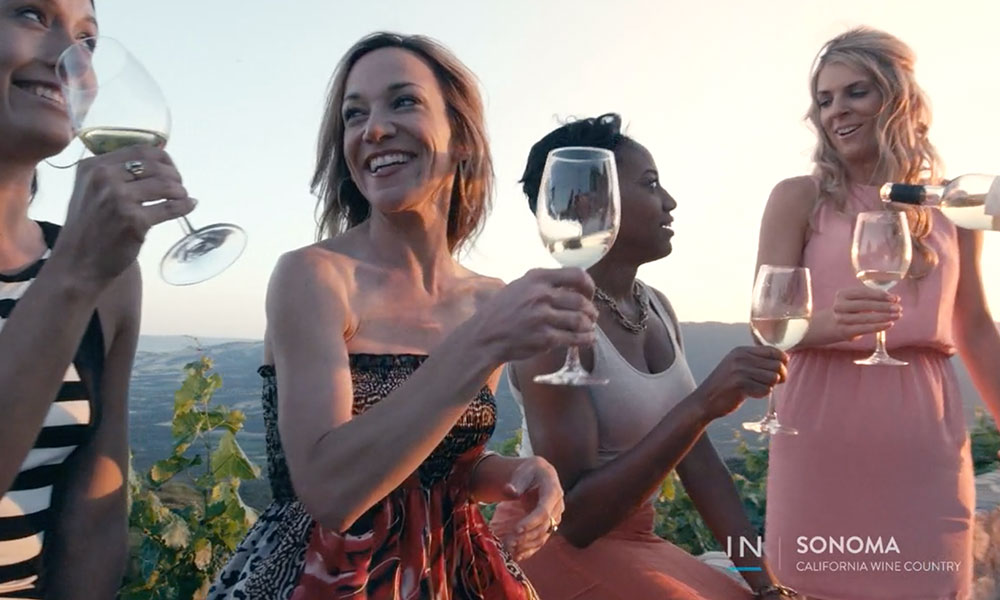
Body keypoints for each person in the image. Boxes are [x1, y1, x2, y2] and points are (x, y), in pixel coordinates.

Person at [208, 32, 593, 600]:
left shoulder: (486, 300)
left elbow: (440, 463)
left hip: (456, 572)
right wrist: (482, 344)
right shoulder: (314, 277)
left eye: (403, 101)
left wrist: (516, 472)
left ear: (461, 137)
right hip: (327, 578)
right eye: (354, 114)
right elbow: (331, 493)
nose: (375, 129)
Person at [490, 113, 794, 600]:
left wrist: (769, 586)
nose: (669, 202)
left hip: (638, 540)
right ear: (590, 201)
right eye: (650, 184)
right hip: (547, 550)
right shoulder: (553, 325)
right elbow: (577, 519)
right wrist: (702, 405)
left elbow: (701, 465)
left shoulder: (655, 305)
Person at [758, 27, 1000, 599]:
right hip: (820, 430)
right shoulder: (798, 197)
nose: (836, 110)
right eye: (824, 99)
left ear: (897, 98)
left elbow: (974, 327)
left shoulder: (951, 204)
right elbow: (766, 323)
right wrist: (828, 324)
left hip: (923, 438)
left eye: (855, 92)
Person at [0, 0, 196, 597]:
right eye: (32, 14)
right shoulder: (84, 271)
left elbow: (95, 513)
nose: (71, 57)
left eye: (88, 41)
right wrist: (72, 277)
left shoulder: (104, 275)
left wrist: (80, 270)